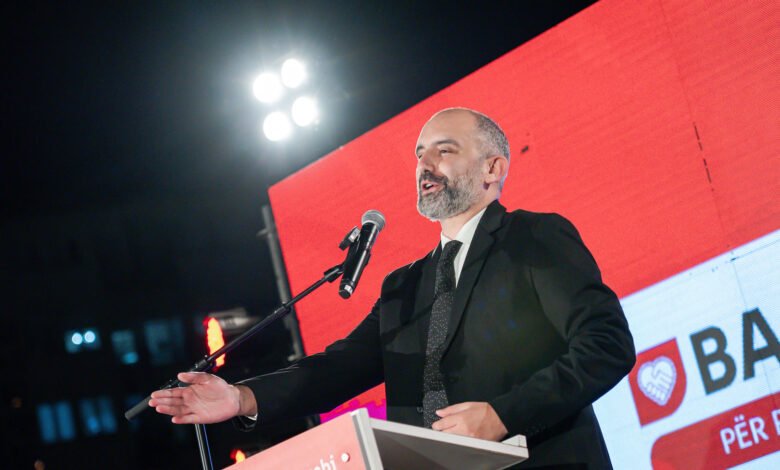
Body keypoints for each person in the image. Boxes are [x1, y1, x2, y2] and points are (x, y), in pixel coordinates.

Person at [150, 108, 635, 468]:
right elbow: (339, 368)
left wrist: (502, 416)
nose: (425, 164)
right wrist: (242, 398)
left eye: (444, 150)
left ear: (493, 168)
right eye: (419, 154)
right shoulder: (405, 286)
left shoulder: (533, 236)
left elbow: (606, 346)